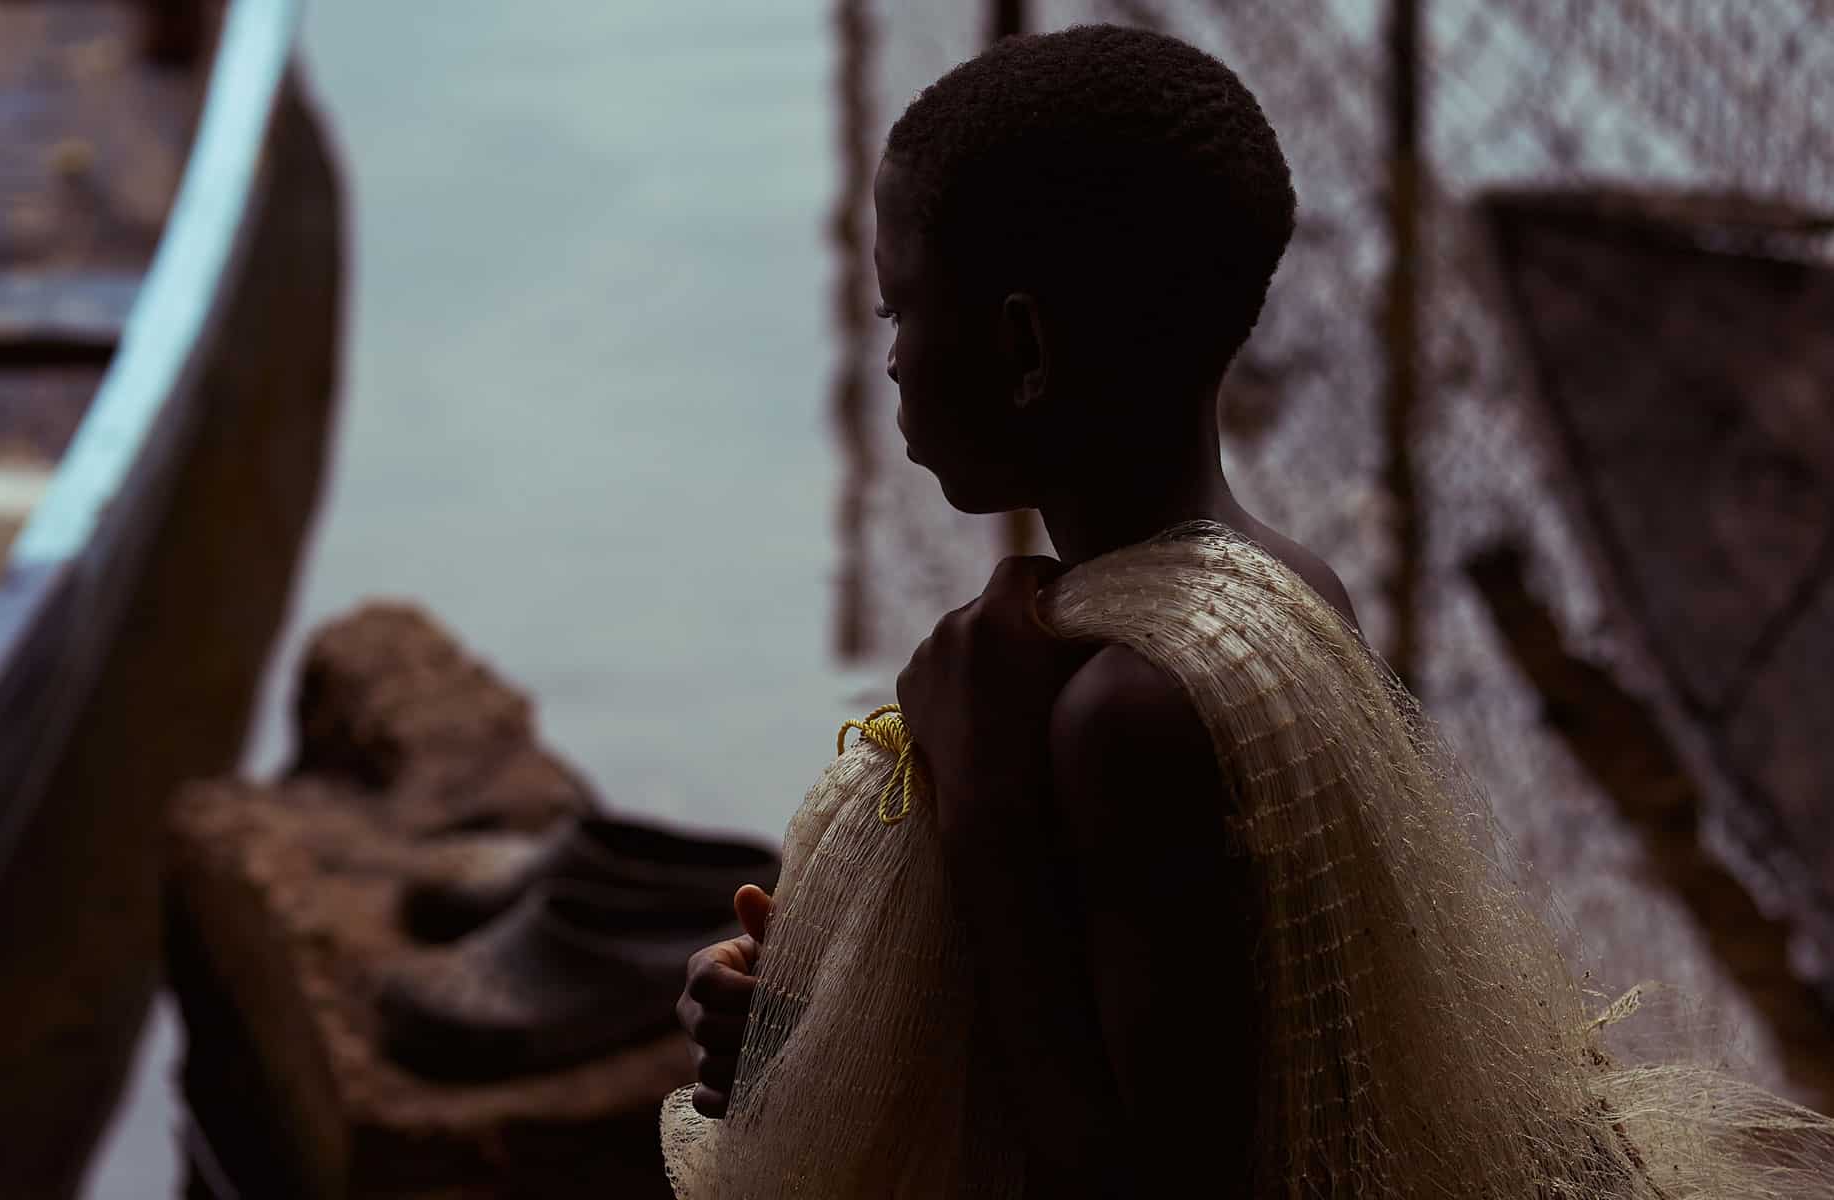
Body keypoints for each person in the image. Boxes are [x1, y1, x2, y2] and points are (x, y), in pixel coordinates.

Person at [669, 23, 1834, 1198]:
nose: (893, 363)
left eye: (898, 313)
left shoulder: (1132, 711)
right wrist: (811, 1036)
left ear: (1022, 346)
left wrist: (980, 799)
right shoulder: (1280, 596)